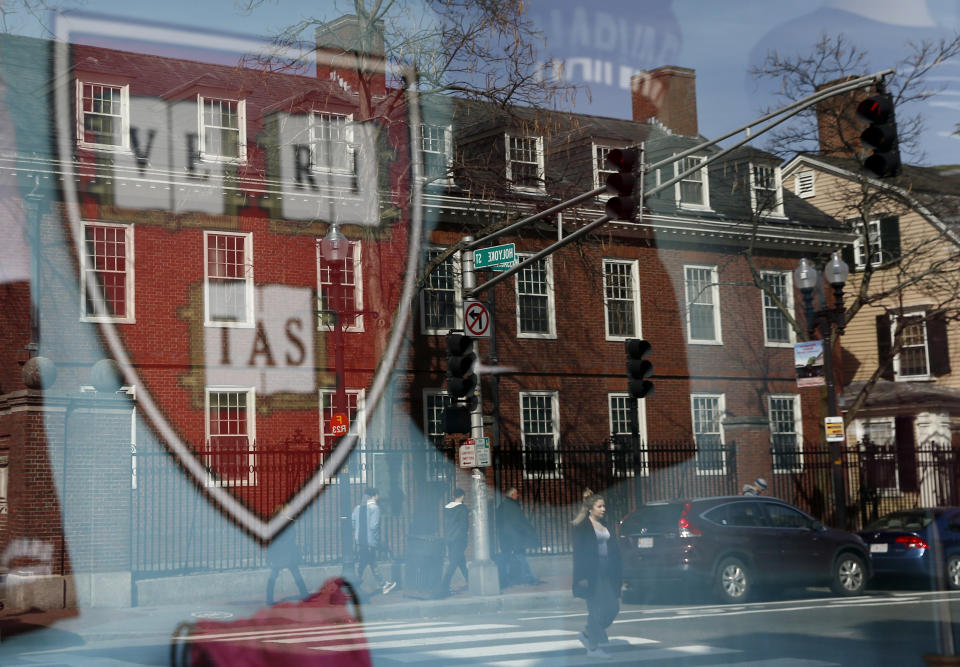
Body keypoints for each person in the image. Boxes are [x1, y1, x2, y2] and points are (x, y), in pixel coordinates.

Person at [572, 490, 622, 659]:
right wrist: (581, 577)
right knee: (596, 609)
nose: (603, 509)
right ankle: (593, 648)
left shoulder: (605, 524)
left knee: (613, 607)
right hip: (591, 573)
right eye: (599, 506)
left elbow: (613, 549)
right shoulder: (582, 527)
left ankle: (588, 633)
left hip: (607, 571)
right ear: (590, 509)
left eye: (604, 506)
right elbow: (578, 554)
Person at [352, 487, 397, 595]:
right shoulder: (375, 508)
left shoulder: (358, 508)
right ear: (375, 495)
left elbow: (352, 522)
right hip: (370, 540)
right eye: (378, 495)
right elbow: (374, 526)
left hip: (360, 540)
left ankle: (383, 584)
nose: (378, 497)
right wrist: (377, 541)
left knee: (368, 562)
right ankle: (353, 586)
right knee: (367, 563)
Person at [496, 487, 542, 586]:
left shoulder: (503, 505)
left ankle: (504, 579)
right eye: (516, 494)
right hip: (513, 537)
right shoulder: (512, 506)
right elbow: (518, 522)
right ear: (512, 495)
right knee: (520, 557)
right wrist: (529, 530)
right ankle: (529, 578)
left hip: (506, 537)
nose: (518, 496)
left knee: (507, 558)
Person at [265, 512, 310, 606]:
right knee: (296, 574)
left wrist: (269, 558)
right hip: (288, 555)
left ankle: (269, 599)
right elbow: (291, 540)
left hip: (278, 555)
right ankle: (304, 594)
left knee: (273, 577)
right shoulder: (290, 526)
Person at [437, 488, 470, 598]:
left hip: (450, 539)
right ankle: (443, 587)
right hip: (459, 539)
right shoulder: (463, 509)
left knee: (461, 561)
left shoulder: (447, 508)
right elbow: (464, 526)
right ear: (462, 496)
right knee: (454, 563)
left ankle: (470, 581)